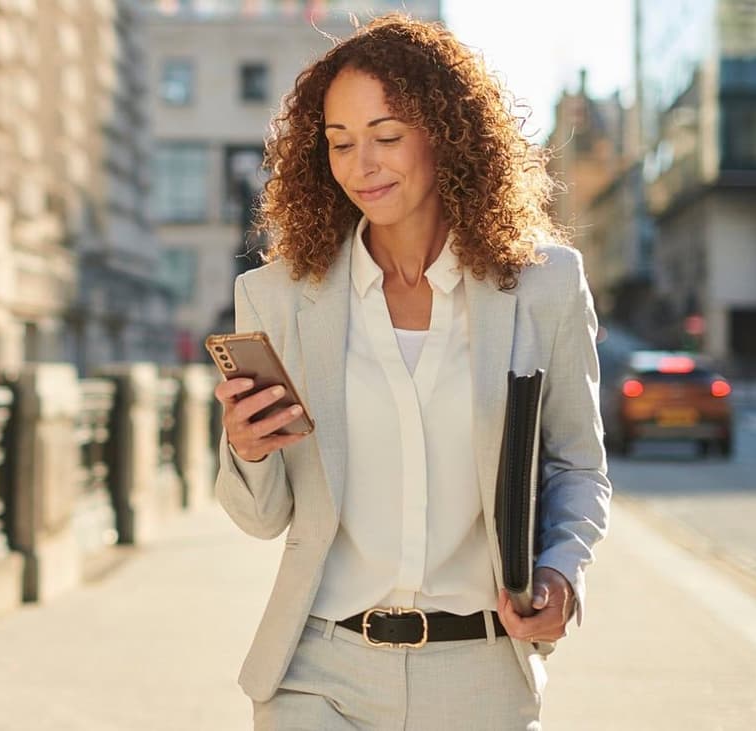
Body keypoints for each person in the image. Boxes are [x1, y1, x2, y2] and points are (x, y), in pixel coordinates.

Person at [212, 14, 612, 730]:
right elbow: (262, 518)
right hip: (317, 673)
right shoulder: (276, 297)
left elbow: (576, 465)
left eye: (387, 136)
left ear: (448, 134)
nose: (361, 164)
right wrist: (248, 449)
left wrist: (560, 574)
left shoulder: (545, 286)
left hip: (480, 676)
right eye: (340, 143)